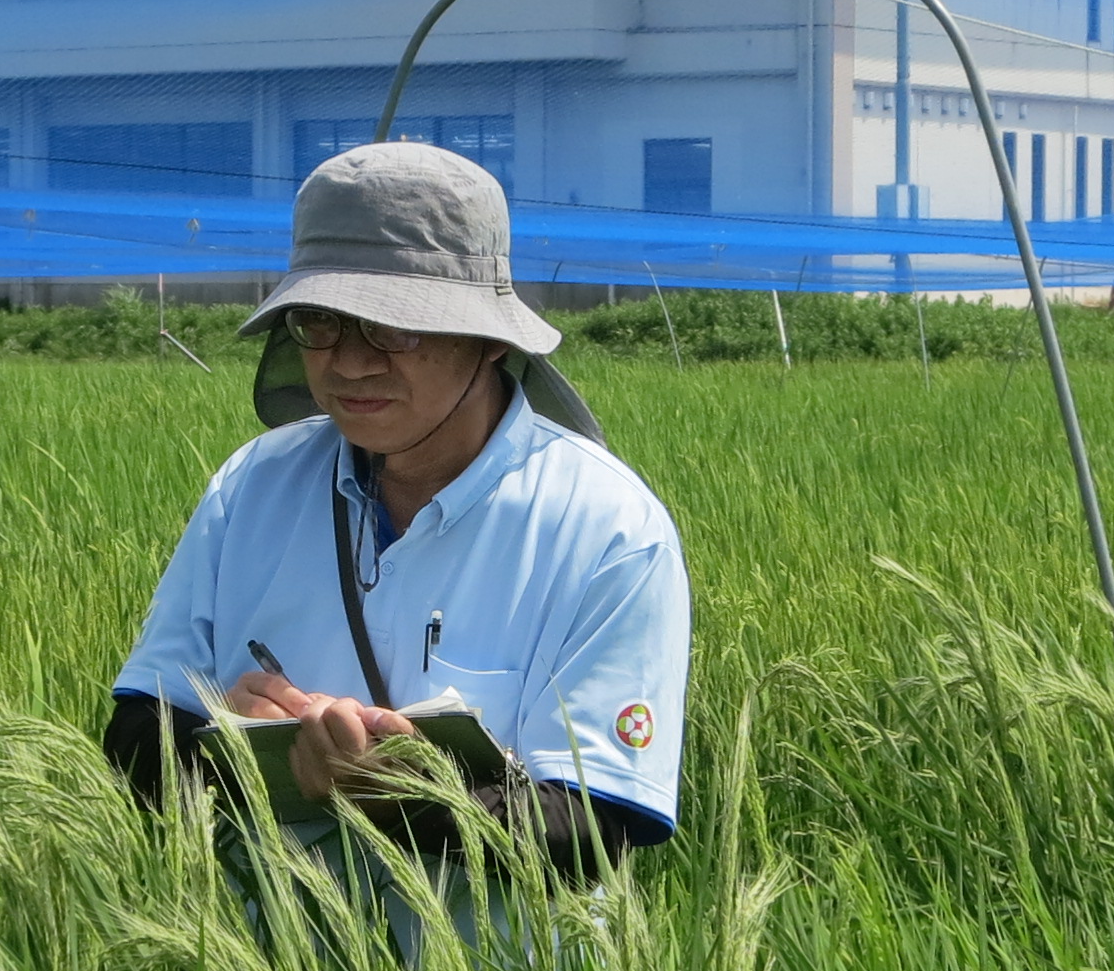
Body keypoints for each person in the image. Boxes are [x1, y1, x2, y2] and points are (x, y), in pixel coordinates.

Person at [105, 141, 688, 880]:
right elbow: (136, 738)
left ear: (485, 340)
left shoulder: (607, 529)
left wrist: (393, 795)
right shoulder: (253, 485)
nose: (349, 362)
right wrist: (230, 742)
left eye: (394, 325)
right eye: (320, 322)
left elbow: (595, 825)